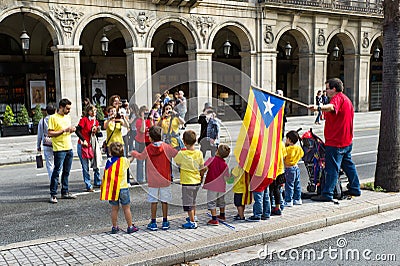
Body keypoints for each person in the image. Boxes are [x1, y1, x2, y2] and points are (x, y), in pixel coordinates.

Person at [308, 78, 361, 201]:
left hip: (336, 142)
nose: (326, 91)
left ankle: (327, 194)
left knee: (332, 168)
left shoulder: (338, 98)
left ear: (334, 89)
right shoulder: (347, 100)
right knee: (348, 165)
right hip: (346, 140)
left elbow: (331, 107)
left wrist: (318, 108)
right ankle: (355, 188)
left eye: (327, 88)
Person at [131, 126, 178, 231]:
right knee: (165, 201)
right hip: (165, 179)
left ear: (151, 138)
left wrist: (134, 153)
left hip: (153, 180)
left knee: (154, 201)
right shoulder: (166, 147)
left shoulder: (148, 148)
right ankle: (165, 221)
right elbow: (176, 154)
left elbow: (141, 157)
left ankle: (153, 222)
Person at [100, 142, 139, 234]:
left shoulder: (109, 162)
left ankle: (114, 227)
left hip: (113, 189)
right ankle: (130, 226)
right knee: (126, 208)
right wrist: (133, 156)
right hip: (123, 188)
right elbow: (130, 161)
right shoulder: (124, 160)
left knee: (114, 209)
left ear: (110, 153)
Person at [174, 130, 206, 229]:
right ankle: (193, 216)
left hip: (187, 182)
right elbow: (202, 166)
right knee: (193, 201)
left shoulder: (181, 154)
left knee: (188, 203)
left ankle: (192, 222)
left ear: (184, 141)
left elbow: (177, 163)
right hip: (197, 181)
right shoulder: (199, 153)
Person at [48, 98, 77, 203]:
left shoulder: (67, 117)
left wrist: (71, 130)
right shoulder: (53, 118)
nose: (69, 111)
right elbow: (50, 133)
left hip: (68, 147)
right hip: (59, 148)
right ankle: (53, 194)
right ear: (61, 107)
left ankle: (65, 191)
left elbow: (66, 132)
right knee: (57, 171)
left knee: (66, 171)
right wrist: (64, 130)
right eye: (67, 108)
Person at [75, 104, 101, 192]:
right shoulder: (84, 120)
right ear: (88, 111)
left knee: (96, 163)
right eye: (91, 111)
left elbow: (97, 134)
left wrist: (96, 131)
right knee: (85, 166)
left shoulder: (95, 121)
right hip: (83, 145)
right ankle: (88, 184)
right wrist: (83, 140)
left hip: (92, 144)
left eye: (95, 111)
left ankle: (98, 181)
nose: (93, 113)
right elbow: (77, 130)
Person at [203, 144, 231, 226]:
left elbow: (204, 168)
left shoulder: (211, 160)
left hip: (212, 186)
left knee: (212, 202)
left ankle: (214, 219)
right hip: (221, 186)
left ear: (217, 152)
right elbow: (227, 178)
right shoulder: (225, 164)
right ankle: (222, 215)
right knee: (221, 201)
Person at [283, 130, 304, 207]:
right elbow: (302, 154)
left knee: (289, 185)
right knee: (297, 184)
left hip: (289, 169)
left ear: (289, 139)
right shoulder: (298, 148)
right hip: (296, 167)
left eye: (286, 138)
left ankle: (288, 200)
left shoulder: (287, 149)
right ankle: (297, 199)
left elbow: (283, 155)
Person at [135, 105, 154, 183]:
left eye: (147, 112)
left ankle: (148, 178)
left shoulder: (149, 120)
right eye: (144, 112)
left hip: (148, 142)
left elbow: (153, 130)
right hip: (140, 142)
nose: (146, 114)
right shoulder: (138, 121)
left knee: (148, 162)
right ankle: (140, 179)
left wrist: (151, 120)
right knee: (140, 161)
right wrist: (143, 119)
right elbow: (142, 130)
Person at [37, 103, 56, 180]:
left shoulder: (42, 121)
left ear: (46, 112)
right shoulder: (57, 119)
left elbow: (39, 134)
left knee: (49, 163)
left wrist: (38, 146)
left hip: (46, 143)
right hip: (57, 142)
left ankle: (53, 179)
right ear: (55, 110)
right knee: (58, 163)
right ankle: (57, 178)